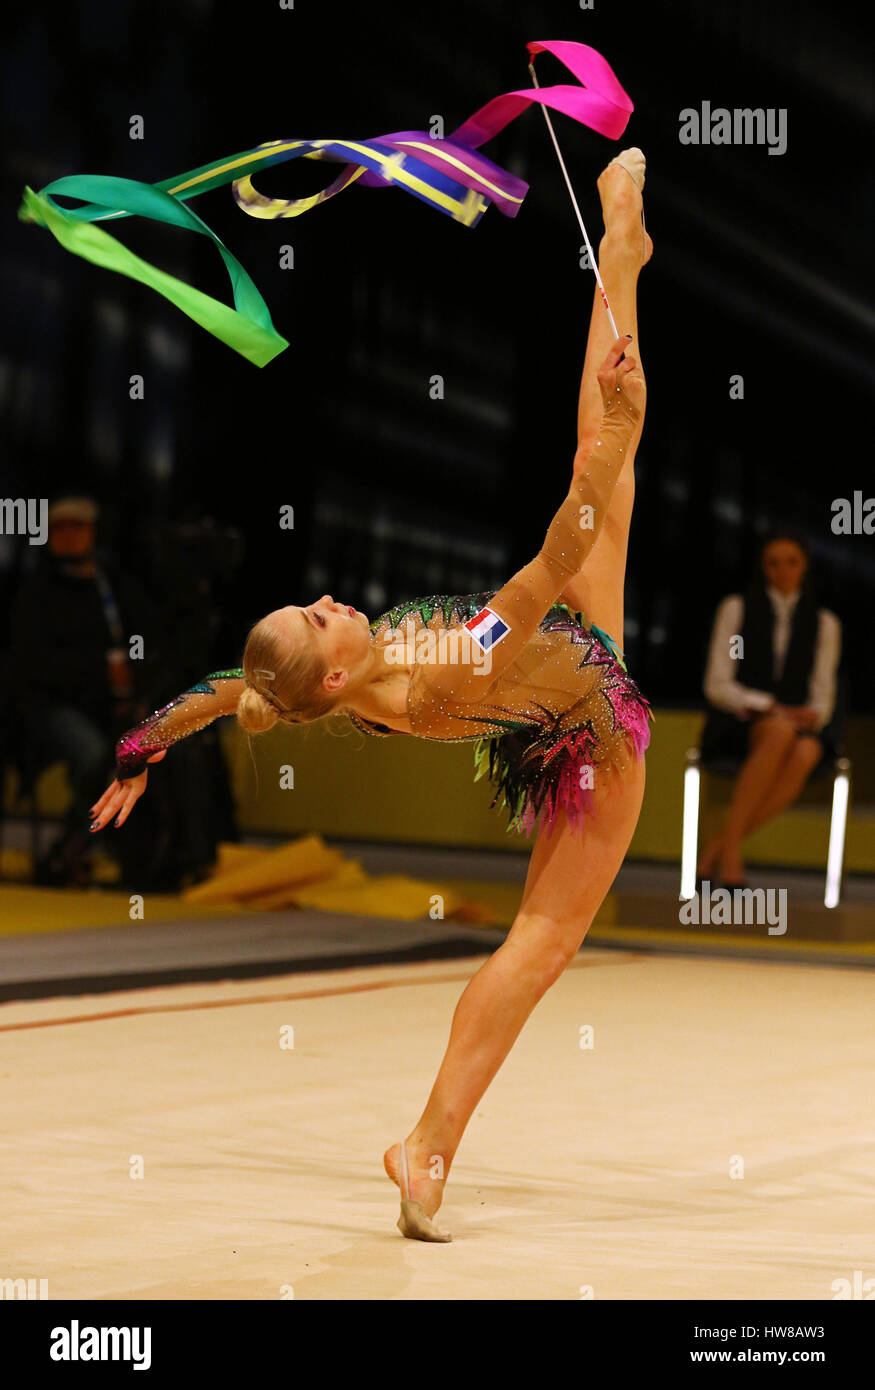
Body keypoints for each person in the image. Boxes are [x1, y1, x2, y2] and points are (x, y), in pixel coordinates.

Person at [90, 149, 653, 1240]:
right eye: (319, 616)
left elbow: (231, 689)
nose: (331, 598)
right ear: (338, 673)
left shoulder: (324, 686)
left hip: (559, 667)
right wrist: (619, 441)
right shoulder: (441, 653)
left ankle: (617, 255)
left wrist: (139, 748)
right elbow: (543, 569)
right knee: (539, 942)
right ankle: (428, 1145)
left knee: (599, 455)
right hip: (589, 725)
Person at [8, 495, 163, 886]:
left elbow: (149, 643)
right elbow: (28, 664)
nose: (68, 535)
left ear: (94, 532)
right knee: (95, 755)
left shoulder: (114, 587)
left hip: (111, 707)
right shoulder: (35, 592)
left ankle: (139, 858)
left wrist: (137, 682)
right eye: (59, 527)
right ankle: (74, 847)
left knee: (153, 751)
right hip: (49, 707)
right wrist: (100, 670)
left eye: (78, 526)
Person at [697, 530, 842, 888]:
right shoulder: (738, 611)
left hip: (795, 729)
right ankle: (730, 855)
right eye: (773, 563)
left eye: (791, 562)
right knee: (779, 732)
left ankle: (719, 846)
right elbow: (719, 683)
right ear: (763, 568)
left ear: (804, 566)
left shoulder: (824, 624)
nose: (783, 571)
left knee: (807, 749)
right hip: (739, 724)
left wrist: (811, 713)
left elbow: (823, 693)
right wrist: (768, 706)